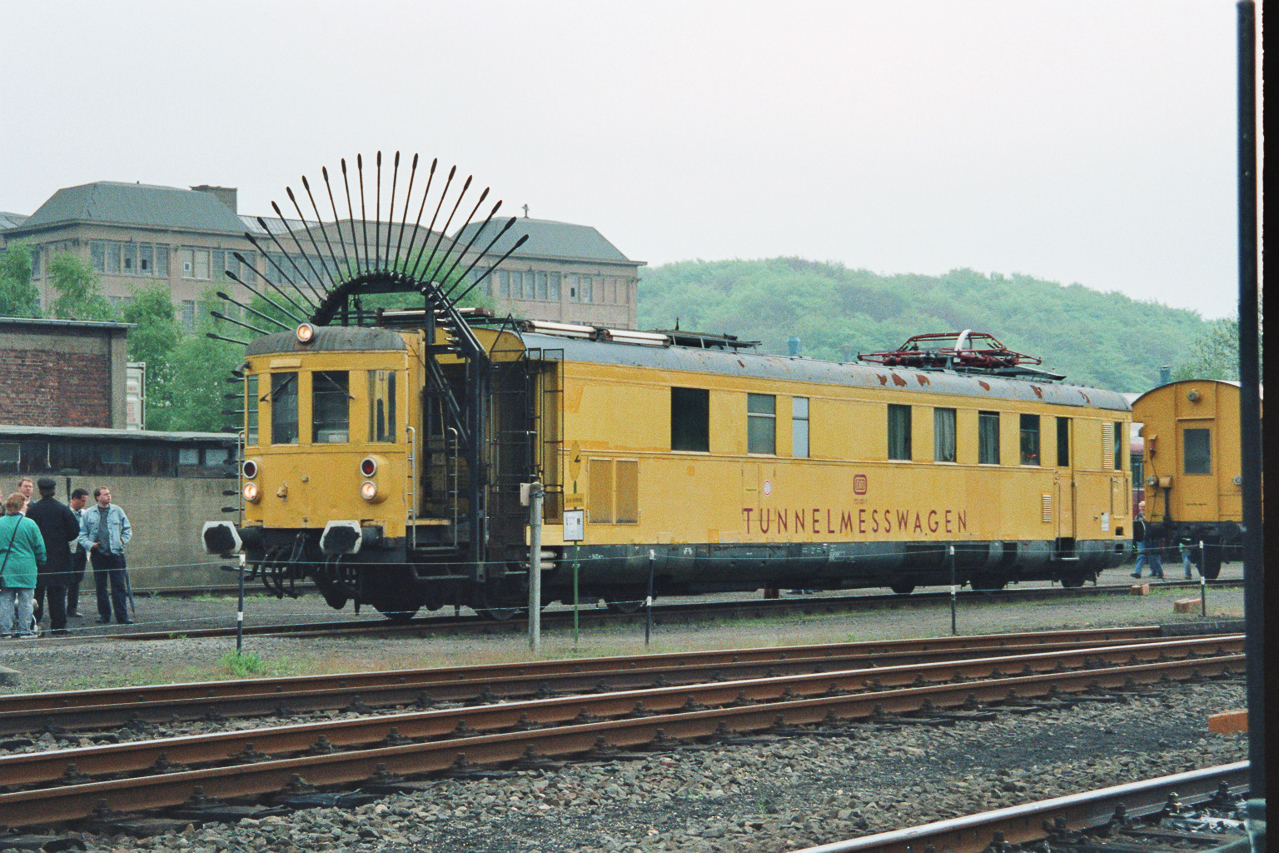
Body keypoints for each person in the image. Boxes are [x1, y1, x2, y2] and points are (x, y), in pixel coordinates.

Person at [27, 479, 81, 635]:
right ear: (54, 490)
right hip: (60, 558)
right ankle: (58, 626)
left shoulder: (33, 511)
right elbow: (74, 532)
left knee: (36, 594)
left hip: (38, 559)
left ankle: (34, 625)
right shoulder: (63, 510)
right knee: (57, 594)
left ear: (39, 491)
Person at [79, 486, 133, 625]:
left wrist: (122, 541)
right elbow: (82, 534)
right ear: (97, 497)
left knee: (119, 586)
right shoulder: (89, 514)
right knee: (101, 586)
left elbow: (127, 529)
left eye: (109, 494)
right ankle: (104, 615)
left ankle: (122, 617)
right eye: (105, 494)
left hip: (116, 554)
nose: (109, 496)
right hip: (98, 555)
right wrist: (90, 545)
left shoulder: (118, 511)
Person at [1, 491, 47, 639]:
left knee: (6, 599)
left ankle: (5, 631)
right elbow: (39, 547)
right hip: (26, 566)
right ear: (21, 506)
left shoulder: (0, 523)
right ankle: (25, 630)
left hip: (5, 566)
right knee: (26, 600)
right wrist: (41, 561)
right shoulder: (30, 524)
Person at [66, 488, 90, 618]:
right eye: (82, 501)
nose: (83, 504)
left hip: (81, 552)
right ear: (74, 499)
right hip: (69, 552)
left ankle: (72, 608)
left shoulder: (85, 514)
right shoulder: (64, 512)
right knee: (65, 580)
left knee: (76, 581)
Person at [1131, 500, 1163, 579]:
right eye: (1140, 507)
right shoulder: (1137, 517)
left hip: (1152, 538)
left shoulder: (1151, 516)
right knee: (1141, 554)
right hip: (1142, 538)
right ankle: (1137, 572)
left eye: (1143, 507)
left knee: (1154, 556)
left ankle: (1159, 572)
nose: (1142, 508)